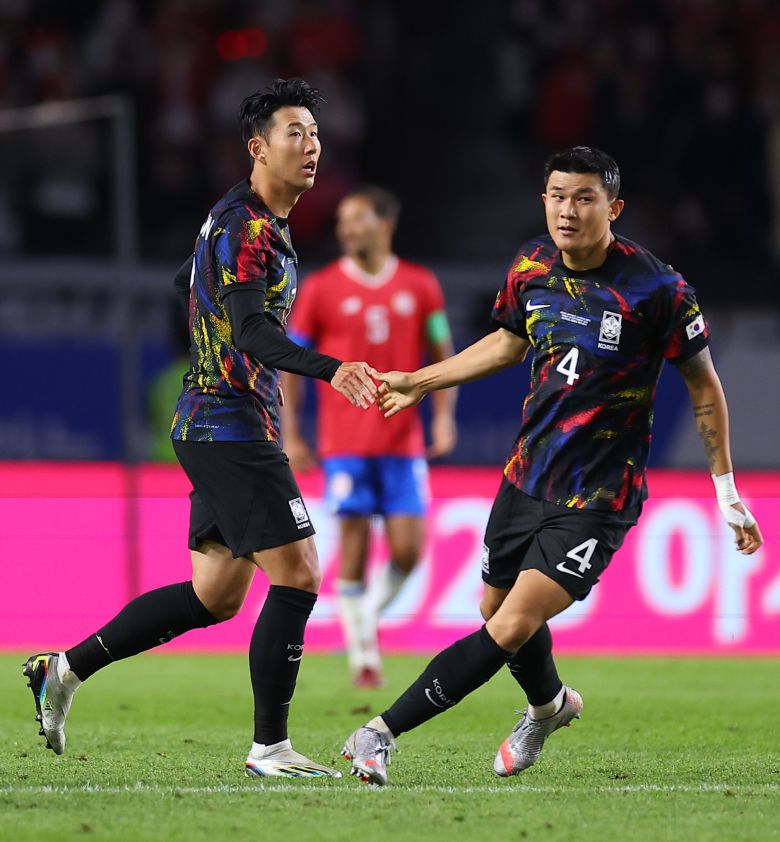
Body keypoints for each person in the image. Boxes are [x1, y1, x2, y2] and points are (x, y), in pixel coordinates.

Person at [341, 146, 764, 785]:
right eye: (558, 196)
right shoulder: (532, 264)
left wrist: (726, 490)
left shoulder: (658, 288)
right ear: (544, 200)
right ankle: (550, 705)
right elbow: (510, 341)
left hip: (599, 495)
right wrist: (422, 381)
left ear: (613, 208)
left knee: (510, 623)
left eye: (584, 197)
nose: (568, 210)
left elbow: (704, 386)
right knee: (494, 609)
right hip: (526, 475)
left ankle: (379, 734)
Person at [23, 78, 377, 779]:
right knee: (300, 574)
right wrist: (331, 368)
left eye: (314, 134)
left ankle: (63, 669)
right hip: (230, 423)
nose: (310, 148)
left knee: (215, 595)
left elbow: (184, 283)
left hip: (215, 417)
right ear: (258, 147)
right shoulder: (248, 229)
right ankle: (270, 747)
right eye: (294, 134)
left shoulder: (238, 222)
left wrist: (208, 325)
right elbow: (250, 331)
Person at [281, 185, 457, 688]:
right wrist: (292, 432)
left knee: (408, 550)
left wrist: (444, 417)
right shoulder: (321, 288)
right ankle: (363, 656)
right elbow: (292, 367)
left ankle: (365, 620)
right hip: (345, 444)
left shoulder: (422, 286)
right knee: (354, 548)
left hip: (402, 441)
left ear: (384, 224)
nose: (345, 229)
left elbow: (443, 352)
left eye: (356, 219)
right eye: (342, 221)